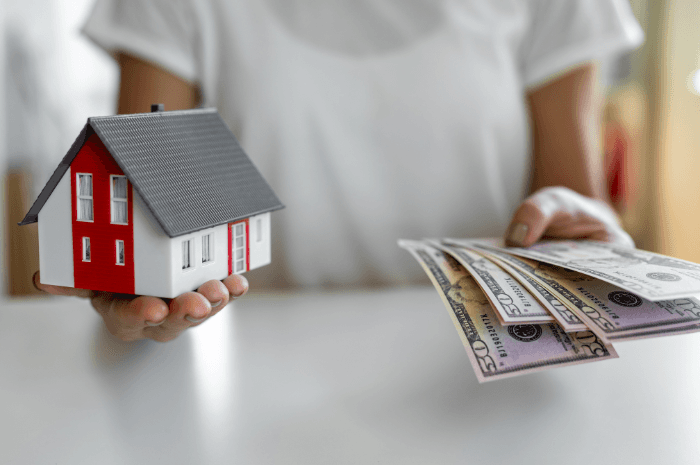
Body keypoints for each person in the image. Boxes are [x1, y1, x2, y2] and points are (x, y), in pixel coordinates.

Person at [35, 0, 643, 341]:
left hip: (490, 371)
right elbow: (143, 182)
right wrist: (151, 307)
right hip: (258, 380)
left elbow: (572, 208)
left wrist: (589, 244)